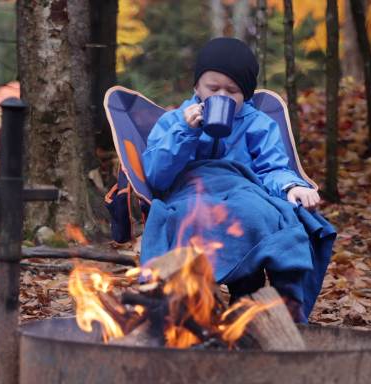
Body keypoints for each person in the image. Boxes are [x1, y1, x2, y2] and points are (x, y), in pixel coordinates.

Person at [140, 37, 335, 322]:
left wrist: (291, 186)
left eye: (232, 91)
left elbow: (273, 168)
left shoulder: (258, 124)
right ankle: (192, 303)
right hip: (191, 190)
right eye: (213, 88)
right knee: (188, 217)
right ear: (197, 87)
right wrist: (185, 132)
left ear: (246, 95)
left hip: (243, 187)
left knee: (260, 215)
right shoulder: (174, 122)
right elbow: (157, 175)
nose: (222, 95)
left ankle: (251, 296)